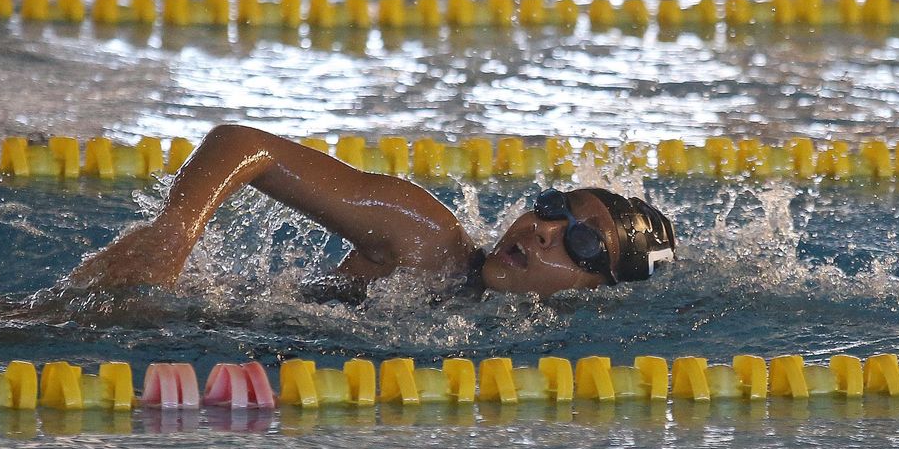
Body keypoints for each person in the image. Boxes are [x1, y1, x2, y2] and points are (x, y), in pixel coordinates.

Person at [68, 124, 677, 299]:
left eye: (585, 246)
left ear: (600, 290)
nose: (544, 231)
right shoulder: (427, 239)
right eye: (552, 209)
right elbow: (240, 144)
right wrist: (174, 232)